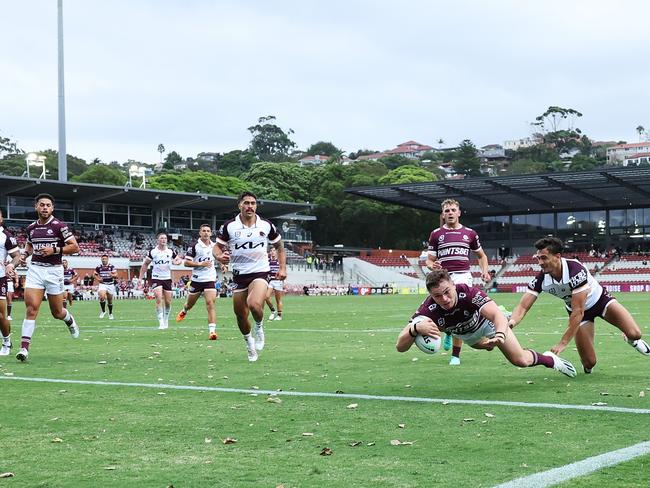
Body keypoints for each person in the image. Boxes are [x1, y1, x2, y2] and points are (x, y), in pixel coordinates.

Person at [396, 269, 577, 378]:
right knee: (485, 346)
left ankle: (549, 360)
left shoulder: (467, 292)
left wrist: (499, 334)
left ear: (453, 284)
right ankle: (490, 341)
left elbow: (495, 315)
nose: (444, 299)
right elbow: (400, 346)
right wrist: (414, 329)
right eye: (437, 296)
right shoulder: (428, 309)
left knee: (520, 360)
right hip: (467, 335)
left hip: (486, 324)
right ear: (430, 295)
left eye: (447, 292)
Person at [508, 237, 650, 373]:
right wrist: (511, 323)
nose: (540, 262)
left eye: (544, 258)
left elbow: (578, 311)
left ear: (557, 256)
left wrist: (563, 343)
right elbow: (523, 306)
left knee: (635, 333)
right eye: (538, 258)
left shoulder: (575, 270)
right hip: (580, 313)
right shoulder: (541, 278)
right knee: (589, 363)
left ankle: (632, 341)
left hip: (600, 301)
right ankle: (588, 363)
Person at [214, 191, 286, 362]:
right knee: (240, 315)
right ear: (239, 205)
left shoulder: (266, 225)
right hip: (239, 276)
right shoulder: (229, 226)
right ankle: (249, 344)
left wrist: (282, 268)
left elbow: (279, 246)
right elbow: (217, 248)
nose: (250, 206)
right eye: (246, 203)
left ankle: (259, 327)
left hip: (260, 272)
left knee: (254, 304)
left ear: (256, 206)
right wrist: (218, 256)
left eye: (253, 203)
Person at [425, 198, 491, 366]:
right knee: (445, 311)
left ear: (459, 212)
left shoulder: (470, 233)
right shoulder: (436, 234)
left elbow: (481, 255)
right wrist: (433, 265)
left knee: (460, 312)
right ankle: (447, 330)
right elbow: (429, 260)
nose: (450, 213)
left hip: (463, 277)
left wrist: (484, 271)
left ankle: (456, 355)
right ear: (443, 214)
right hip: (443, 278)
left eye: (453, 210)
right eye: (447, 211)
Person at [16, 194, 80, 361]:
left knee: (57, 312)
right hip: (35, 270)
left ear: (52, 208)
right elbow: (30, 245)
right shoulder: (31, 228)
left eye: (48, 205)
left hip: (54, 271)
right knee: (31, 309)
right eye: (42, 205)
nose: (45, 208)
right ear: (36, 207)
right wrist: (25, 254)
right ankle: (24, 349)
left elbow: (75, 247)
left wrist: (55, 250)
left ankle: (69, 319)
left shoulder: (60, 226)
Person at [176, 223, 219, 340]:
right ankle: (184, 310)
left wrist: (224, 265)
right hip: (197, 279)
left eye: (208, 231)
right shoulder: (194, 246)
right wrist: (201, 264)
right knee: (189, 304)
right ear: (200, 233)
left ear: (211, 233)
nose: (206, 233)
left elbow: (218, 257)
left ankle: (212, 332)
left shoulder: (215, 246)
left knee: (210, 304)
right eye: (203, 231)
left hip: (210, 278)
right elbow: (186, 262)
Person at [138, 231, 182, 329]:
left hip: (167, 278)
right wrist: (140, 279)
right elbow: (145, 264)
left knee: (168, 302)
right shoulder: (153, 252)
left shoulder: (171, 251)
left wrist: (176, 262)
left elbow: (179, 260)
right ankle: (161, 323)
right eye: (161, 238)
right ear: (158, 240)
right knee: (158, 297)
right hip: (156, 278)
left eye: (165, 238)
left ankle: (166, 319)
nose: (163, 240)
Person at [1, 210, 21, 356]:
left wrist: (11, 265)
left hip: (0, 277)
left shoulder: (6, 236)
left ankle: (7, 341)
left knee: (1, 316)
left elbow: (17, 256)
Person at [94, 254, 118, 320]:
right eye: (103, 259)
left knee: (110, 301)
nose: (104, 260)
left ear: (107, 259)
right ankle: (103, 311)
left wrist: (112, 275)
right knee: (102, 296)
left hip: (110, 284)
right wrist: (98, 279)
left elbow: (116, 275)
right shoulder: (98, 267)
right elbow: (94, 275)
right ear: (101, 259)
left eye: (105, 259)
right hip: (103, 284)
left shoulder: (111, 267)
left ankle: (110, 313)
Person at [265, 247, 285, 321]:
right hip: (270, 281)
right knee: (266, 297)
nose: (272, 252)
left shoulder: (279, 261)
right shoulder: (268, 261)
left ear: (276, 252)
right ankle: (273, 311)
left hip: (278, 281)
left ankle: (279, 315)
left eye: (274, 250)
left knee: (278, 300)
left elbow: (283, 271)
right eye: (271, 251)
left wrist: (284, 281)